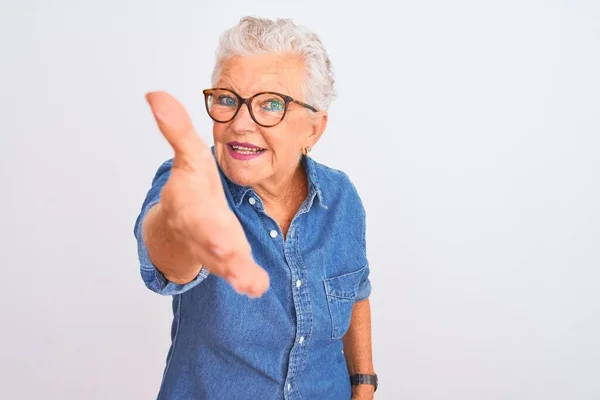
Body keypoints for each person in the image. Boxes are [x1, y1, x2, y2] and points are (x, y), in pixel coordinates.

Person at [134, 16, 377, 400]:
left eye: (270, 105)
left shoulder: (340, 197)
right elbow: (168, 260)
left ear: (314, 129)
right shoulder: (190, 180)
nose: (240, 124)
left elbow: (356, 290)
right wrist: (184, 222)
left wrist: (363, 385)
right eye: (227, 99)